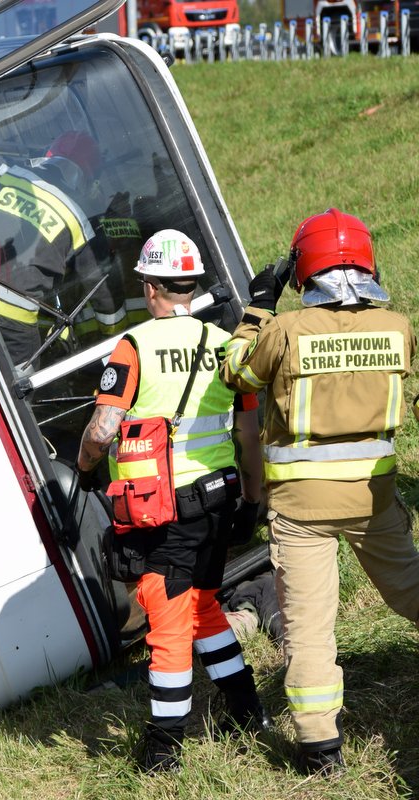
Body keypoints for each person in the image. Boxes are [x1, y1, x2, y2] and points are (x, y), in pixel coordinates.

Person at [220, 208, 419, 775]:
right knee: (411, 588)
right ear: (369, 263)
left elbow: (236, 373)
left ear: (303, 270)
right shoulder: (398, 327)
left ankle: (320, 748)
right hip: (373, 498)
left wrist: (259, 304)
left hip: (302, 508)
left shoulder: (285, 330)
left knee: (308, 628)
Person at [76, 229, 267, 773]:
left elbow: (101, 431)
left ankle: (164, 749)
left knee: (167, 625)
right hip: (220, 501)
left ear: (150, 286)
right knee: (202, 606)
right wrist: (252, 501)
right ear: (193, 285)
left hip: (165, 511)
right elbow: (248, 434)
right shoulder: (226, 345)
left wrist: (85, 469)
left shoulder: (133, 347)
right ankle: (247, 711)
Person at [0, 130, 123, 369]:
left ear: (48, 156)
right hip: (14, 325)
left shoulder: (9, 173)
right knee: (23, 386)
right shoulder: (80, 220)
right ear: (88, 178)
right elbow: (102, 293)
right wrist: (113, 337)